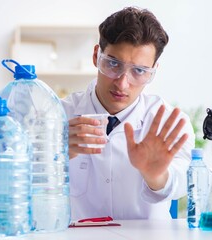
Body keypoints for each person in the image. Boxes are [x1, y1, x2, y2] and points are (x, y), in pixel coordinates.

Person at [61, 6, 195, 220]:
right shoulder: (58, 116)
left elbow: (182, 182)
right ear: (97, 56)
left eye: (139, 71)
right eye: (113, 64)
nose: (123, 83)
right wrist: (53, 154)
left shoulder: (169, 121)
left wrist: (157, 176)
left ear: (153, 71)